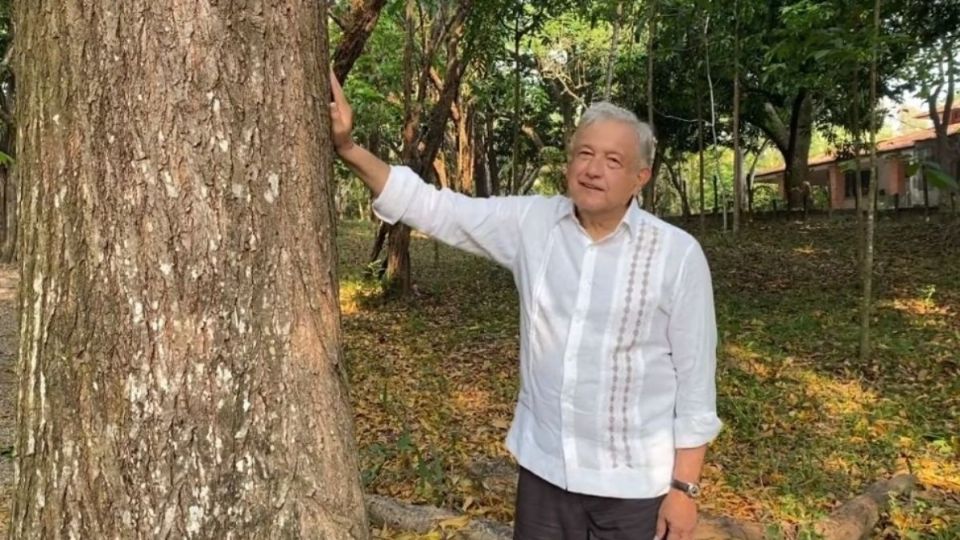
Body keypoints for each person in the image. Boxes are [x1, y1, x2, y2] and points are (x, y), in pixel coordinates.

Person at [329, 73, 722, 540]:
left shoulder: (676, 256)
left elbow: (696, 388)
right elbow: (436, 208)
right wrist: (349, 148)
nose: (593, 169)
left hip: (635, 486)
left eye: (613, 160)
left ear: (641, 177)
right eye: (584, 154)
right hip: (545, 471)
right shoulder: (533, 223)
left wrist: (684, 488)